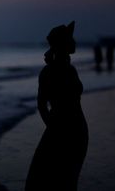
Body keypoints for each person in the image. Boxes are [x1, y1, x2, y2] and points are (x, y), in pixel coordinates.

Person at [25, 21, 89, 191]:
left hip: (77, 131)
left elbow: (42, 106)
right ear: (63, 43)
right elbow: (41, 105)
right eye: (70, 38)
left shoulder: (70, 69)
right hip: (61, 129)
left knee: (68, 177)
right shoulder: (48, 72)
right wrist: (53, 128)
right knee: (50, 179)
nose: (74, 41)